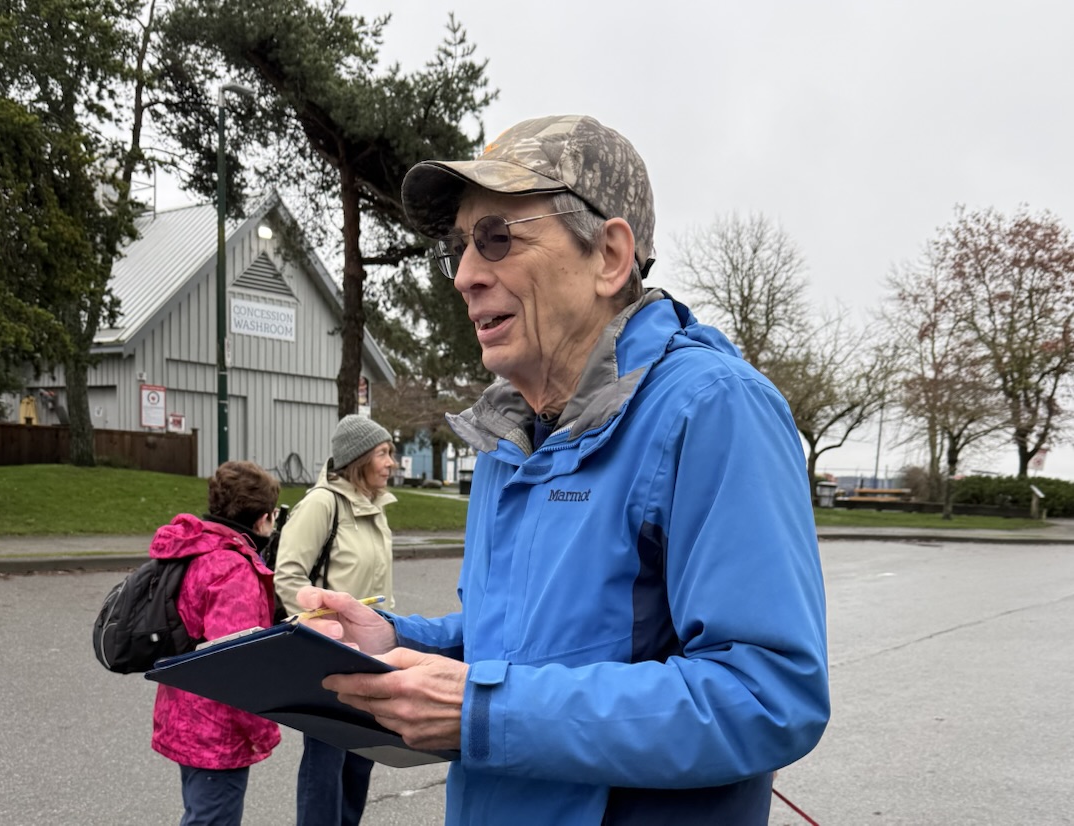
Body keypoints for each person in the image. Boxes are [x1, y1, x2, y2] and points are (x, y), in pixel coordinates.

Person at [296, 115, 831, 825]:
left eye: (496, 239)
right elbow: (528, 642)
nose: (463, 276)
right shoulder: (509, 433)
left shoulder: (713, 408)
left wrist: (486, 713)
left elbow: (769, 695)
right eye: (459, 247)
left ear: (609, 257)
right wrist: (396, 641)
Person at [274, 414, 398, 826]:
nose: (392, 462)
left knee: (361, 757)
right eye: (383, 453)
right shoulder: (323, 504)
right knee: (326, 760)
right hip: (328, 650)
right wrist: (324, 623)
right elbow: (288, 575)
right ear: (359, 459)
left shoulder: (375, 507)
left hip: (373, 652)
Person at [150, 460, 282, 826]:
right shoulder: (233, 568)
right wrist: (263, 728)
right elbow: (235, 663)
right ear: (261, 519)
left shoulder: (196, 550)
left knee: (198, 812)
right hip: (217, 730)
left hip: (183, 710)